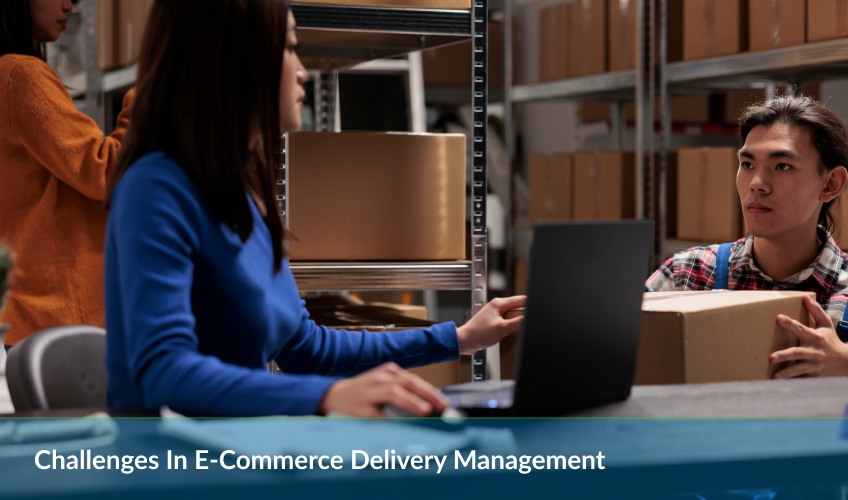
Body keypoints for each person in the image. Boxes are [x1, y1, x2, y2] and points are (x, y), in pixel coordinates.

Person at [103, 0, 524, 417]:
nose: (303, 71)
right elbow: (160, 371)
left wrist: (459, 338)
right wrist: (322, 398)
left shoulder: (243, 191)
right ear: (235, 60)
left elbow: (306, 348)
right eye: (289, 48)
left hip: (239, 451)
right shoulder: (156, 188)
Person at [647, 96, 848, 393]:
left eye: (782, 166)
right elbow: (611, 347)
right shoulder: (690, 273)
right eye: (747, 164)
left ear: (830, 184)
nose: (757, 184)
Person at [0, 0, 136, 350]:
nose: (69, 4)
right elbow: (105, 170)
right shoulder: (21, 76)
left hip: (35, 319)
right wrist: (150, 91)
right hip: (64, 319)